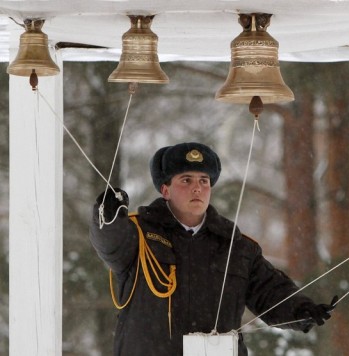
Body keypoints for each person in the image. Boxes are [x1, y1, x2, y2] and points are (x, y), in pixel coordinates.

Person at [90, 142, 335, 356]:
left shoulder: (237, 246)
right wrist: (107, 218)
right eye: (186, 180)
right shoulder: (138, 234)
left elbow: (270, 292)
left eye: (204, 181)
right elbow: (109, 243)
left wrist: (302, 311)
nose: (197, 188)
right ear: (165, 190)